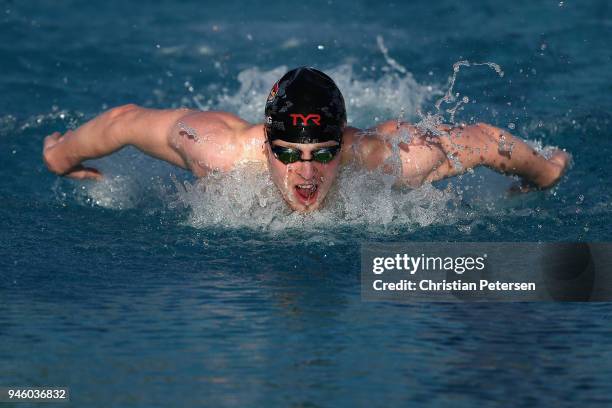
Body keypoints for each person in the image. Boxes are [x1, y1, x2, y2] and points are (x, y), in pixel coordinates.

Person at [43, 67, 569, 213]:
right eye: (290, 156)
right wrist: (61, 155)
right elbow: (126, 122)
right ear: (268, 146)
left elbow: (478, 140)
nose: (307, 175)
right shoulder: (217, 150)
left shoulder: (382, 161)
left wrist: (543, 172)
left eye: (322, 155)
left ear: (340, 145)